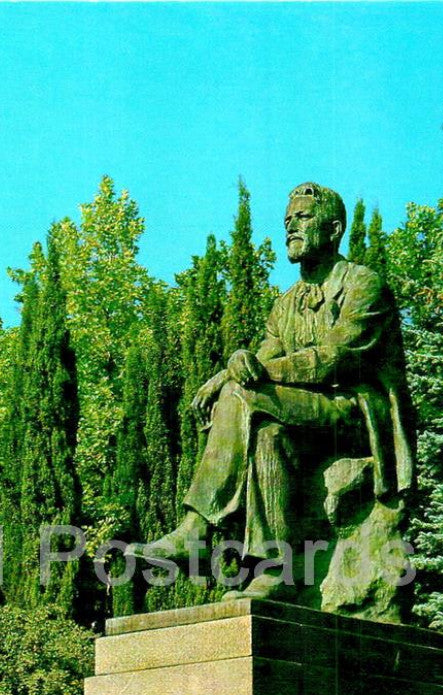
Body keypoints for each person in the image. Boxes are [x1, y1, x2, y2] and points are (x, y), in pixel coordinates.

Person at [133, 181, 414, 599]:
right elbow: (264, 356)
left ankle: (195, 528)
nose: (290, 229)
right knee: (267, 434)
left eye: (302, 219)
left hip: (355, 413)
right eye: (287, 222)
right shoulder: (286, 302)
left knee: (244, 396)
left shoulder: (362, 284)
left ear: (334, 229)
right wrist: (234, 364)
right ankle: (272, 570)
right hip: (305, 414)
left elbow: (335, 358)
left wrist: (244, 377)